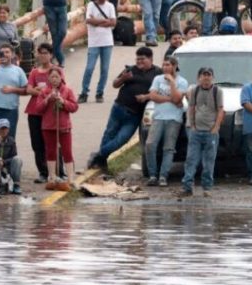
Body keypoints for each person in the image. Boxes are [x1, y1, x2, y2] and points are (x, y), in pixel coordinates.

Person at [88, 47, 161, 169]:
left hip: (135, 115)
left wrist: (146, 96)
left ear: (150, 59)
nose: (139, 62)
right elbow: (115, 84)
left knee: (122, 139)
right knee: (109, 134)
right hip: (119, 108)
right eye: (137, 59)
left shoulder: (158, 73)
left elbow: (160, 90)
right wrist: (123, 78)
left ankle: (98, 155)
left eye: (142, 59)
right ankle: (102, 162)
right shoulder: (130, 69)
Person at [140, 56, 189, 186]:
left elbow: (178, 99)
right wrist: (169, 99)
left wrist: (172, 83)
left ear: (174, 66)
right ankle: (152, 174)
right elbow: (152, 96)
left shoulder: (182, 82)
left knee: (168, 148)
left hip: (174, 119)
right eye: (164, 65)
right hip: (158, 117)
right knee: (150, 144)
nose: (165, 67)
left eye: (168, 65)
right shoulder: (157, 79)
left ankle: (163, 176)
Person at [20, 44, 63, 182]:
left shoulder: (57, 70)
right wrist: (44, 91)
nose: (42, 56)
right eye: (40, 53)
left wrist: (39, 91)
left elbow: (61, 89)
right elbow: (28, 89)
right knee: (37, 143)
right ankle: (43, 172)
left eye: (45, 53)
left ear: (51, 54)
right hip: (34, 111)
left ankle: (59, 171)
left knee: (53, 142)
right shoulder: (34, 72)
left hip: (50, 112)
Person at [181, 67, 224, 197]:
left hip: (211, 131)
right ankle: (187, 187)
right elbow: (191, 108)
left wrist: (216, 127)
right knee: (191, 159)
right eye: (203, 75)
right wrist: (192, 125)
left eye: (208, 75)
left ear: (213, 77)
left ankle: (207, 188)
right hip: (196, 131)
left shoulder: (218, 91)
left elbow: (221, 110)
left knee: (209, 161)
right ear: (199, 77)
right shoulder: (194, 90)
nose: (206, 78)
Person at [37, 68, 79, 187]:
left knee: (67, 151)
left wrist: (63, 101)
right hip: (48, 126)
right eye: (52, 77)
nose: (54, 79)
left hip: (64, 127)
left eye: (56, 77)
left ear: (61, 77)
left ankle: (70, 178)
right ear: (48, 78)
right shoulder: (44, 91)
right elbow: (38, 108)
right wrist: (47, 99)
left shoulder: (67, 90)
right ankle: (52, 176)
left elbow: (74, 107)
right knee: (50, 151)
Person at [80, 0, 117, 103]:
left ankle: (99, 92)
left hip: (107, 42)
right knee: (89, 68)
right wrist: (105, 21)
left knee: (104, 69)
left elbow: (113, 22)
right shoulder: (91, 5)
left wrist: (97, 22)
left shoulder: (110, 6)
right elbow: (89, 20)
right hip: (94, 42)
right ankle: (84, 92)